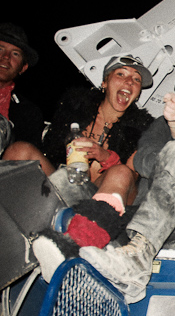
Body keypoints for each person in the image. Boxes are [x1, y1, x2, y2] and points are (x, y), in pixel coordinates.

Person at [32, 77, 175, 304]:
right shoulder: (162, 124)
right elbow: (141, 159)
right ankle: (70, 248)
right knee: (66, 179)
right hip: (134, 217)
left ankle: (138, 265)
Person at [3, 54, 154, 248]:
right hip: (64, 182)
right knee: (20, 149)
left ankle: (81, 241)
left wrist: (107, 157)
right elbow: (50, 149)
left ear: (138, 92)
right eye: (121, 74)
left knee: (121, 172)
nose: (129, 81)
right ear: (105, 82)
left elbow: (131, 176)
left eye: (136, 80)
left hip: (101, 196)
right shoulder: (74, 109)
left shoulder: (142, 129)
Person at [0, 22, 44, 150]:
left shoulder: (28, 114)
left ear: (23, 68)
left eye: (15, 54)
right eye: (0, 49)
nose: (6, 57)